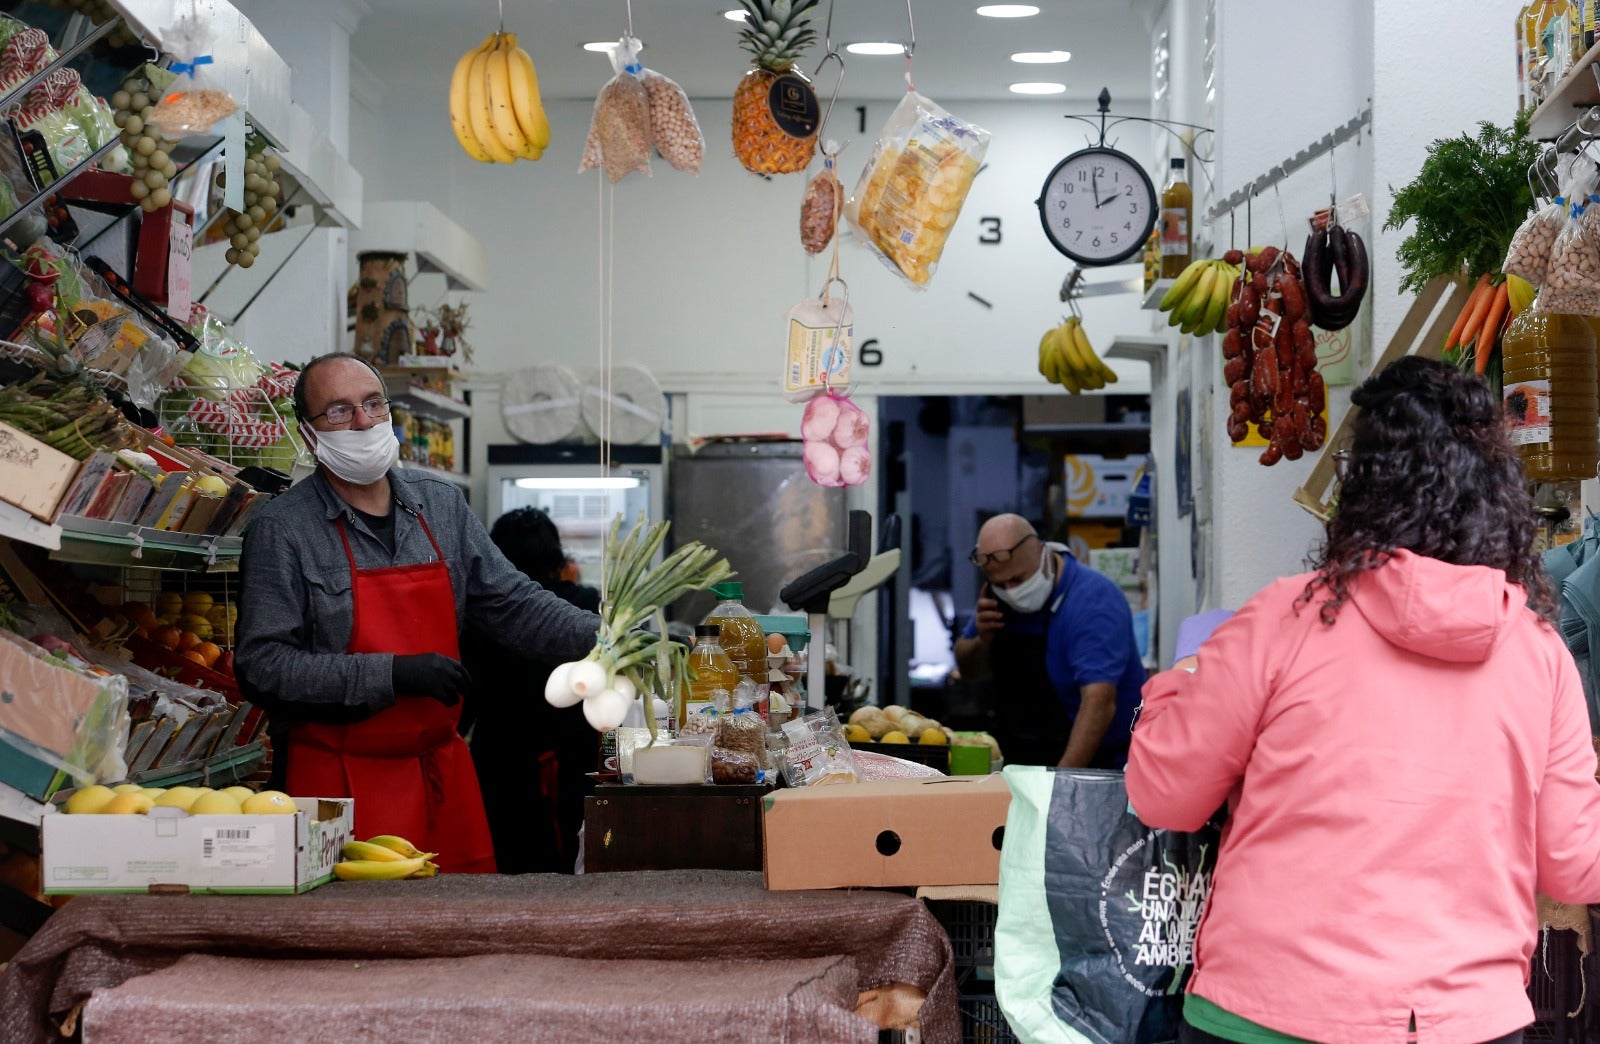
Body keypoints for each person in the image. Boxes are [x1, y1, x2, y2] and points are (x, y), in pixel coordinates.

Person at [1125, 356, 1600, 1044]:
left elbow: (1164, 796)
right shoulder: (1536, 650)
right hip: (1464, 1020)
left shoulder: (1288, 616)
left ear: (1363, 486)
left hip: (1268, 1010)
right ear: (1497, 492)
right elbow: (1575, 862)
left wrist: (1179, 683)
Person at [235, 353, 600, 874]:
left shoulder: (441, 508)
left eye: (372, 403)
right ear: (308, 435)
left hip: (442, 776)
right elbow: (263, 665)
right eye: (338, 411)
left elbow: (515, 604)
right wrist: (392, 673)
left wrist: (609, 638)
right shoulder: (284, 528)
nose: (362, 421)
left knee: (464, 937)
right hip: (337, 787)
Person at [459, 506, 599, 874]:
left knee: (507, 871)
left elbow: (465, 699)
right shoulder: (584, 603)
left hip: (500, 767)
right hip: (576, 765)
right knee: (573, 868)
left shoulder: (479, 616)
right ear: (556, 555)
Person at [952, 513, 1146, 768]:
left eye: (1018, 580)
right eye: (1000, 583)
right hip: (1023, 755)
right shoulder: (996, 598)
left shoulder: (1093, 600)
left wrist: (1058, 788)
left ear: (1042, 552)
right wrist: (982, 640)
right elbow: (968, 671)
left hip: (1103, 759)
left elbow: (1099, 703)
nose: (1011, 591)